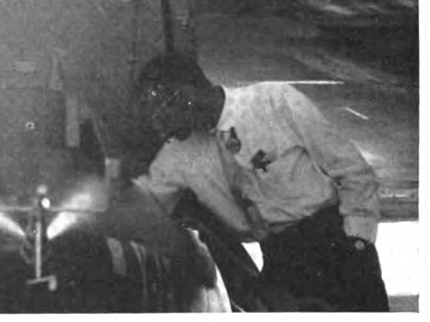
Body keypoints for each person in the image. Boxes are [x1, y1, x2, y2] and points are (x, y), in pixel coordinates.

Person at [130, 52, 389, 312]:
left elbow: (351, 169)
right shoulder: (177, 155)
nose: (159, 126)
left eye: (161, 112)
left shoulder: (274, 101)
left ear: (186, 96)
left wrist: (358, 241)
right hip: (280, 260)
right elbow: (142, 202)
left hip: (334, 241)